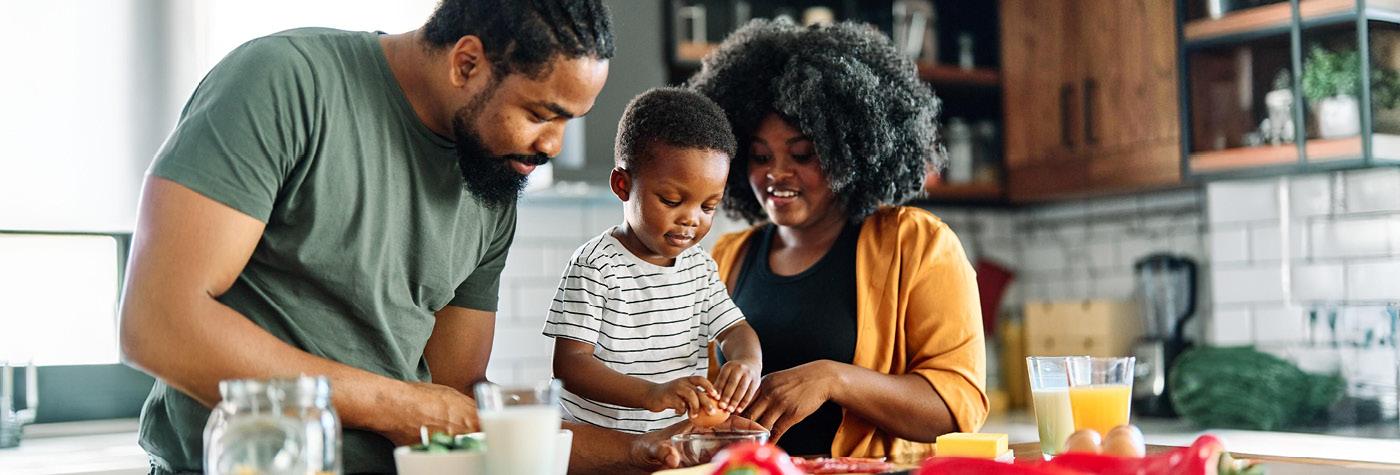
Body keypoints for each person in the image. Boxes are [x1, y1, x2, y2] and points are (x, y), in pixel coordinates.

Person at [117, 1, 739, 473]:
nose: (550, 147)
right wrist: (397, 405)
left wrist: (647, 450)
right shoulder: (284, 82)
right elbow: (159, 325)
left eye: (567, 123)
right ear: (466, 62)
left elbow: (456, 401)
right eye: (540, 114)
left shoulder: (492, 177)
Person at [689, 19, 989, 459]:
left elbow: (958, 406)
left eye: (802, 154)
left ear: (848, 149)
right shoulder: (728, 256)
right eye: (759, 156)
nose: (776, 174)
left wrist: (834, 379)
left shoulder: (916, 243)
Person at [544, 88, 763, 434]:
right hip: (602, 448)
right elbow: (571, 366)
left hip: (673, 443)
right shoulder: (596, 266)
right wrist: (651, 394)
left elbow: (734, 330)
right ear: (622, 184)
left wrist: (746, 362)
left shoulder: (699, 267)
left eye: (708, 206)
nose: (692, 219)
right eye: (672, 200)